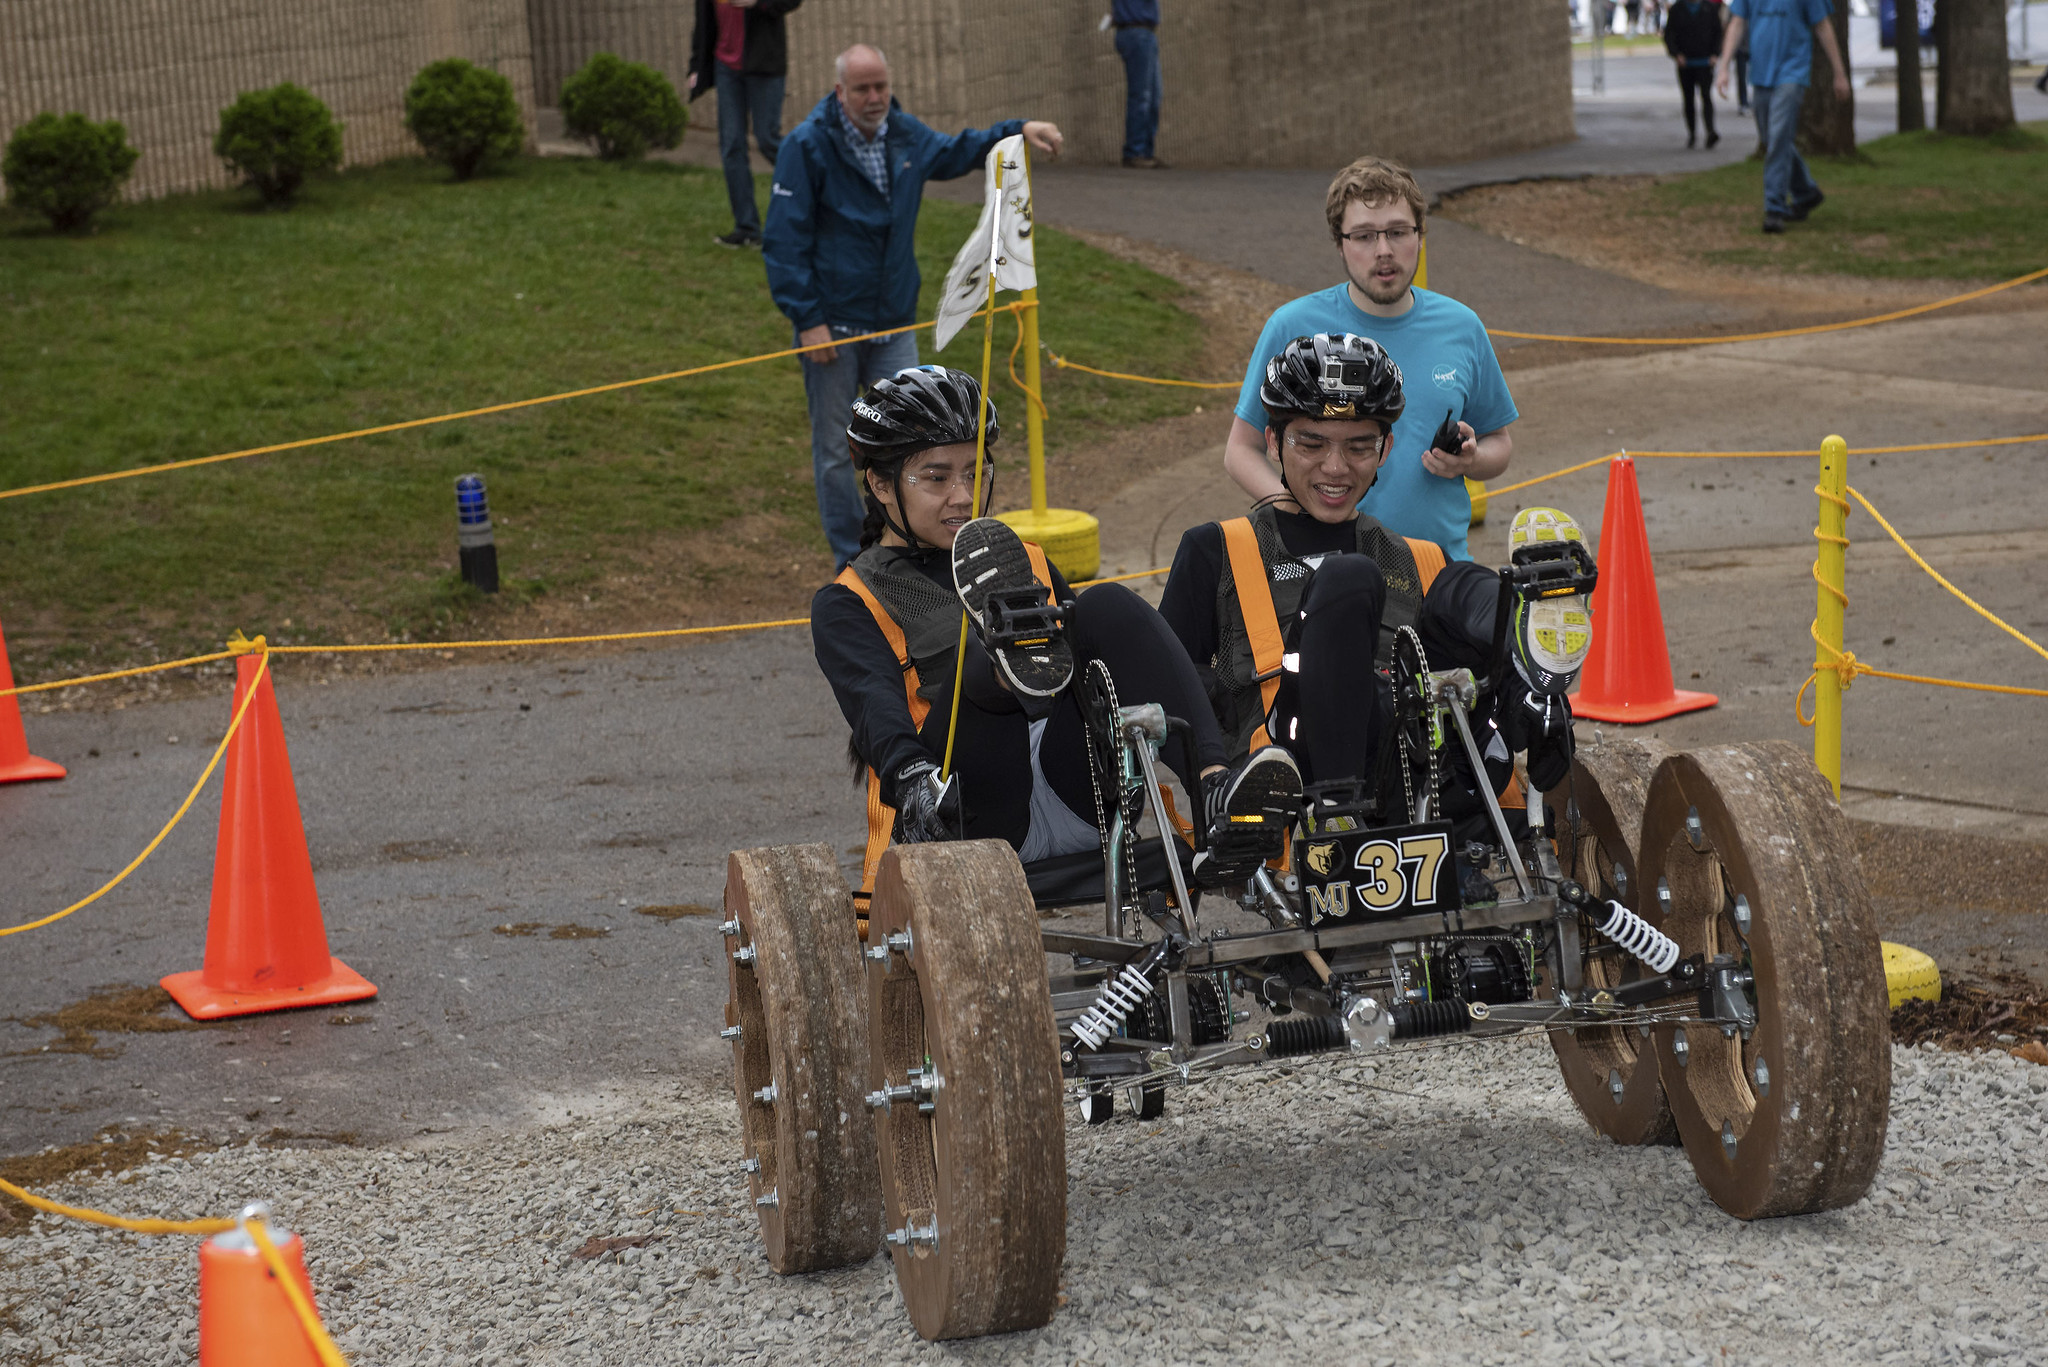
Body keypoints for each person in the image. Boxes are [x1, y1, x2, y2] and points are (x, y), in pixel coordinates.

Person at [811, 366, 1302, 899]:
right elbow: (875, 710)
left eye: (975, 474)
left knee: (1106, 605)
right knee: (979, 656)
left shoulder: (1028, 562)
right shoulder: (850, 599)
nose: (962, 496)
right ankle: (1003, 665)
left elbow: (1116, 659)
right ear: (880, 484)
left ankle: (1216, 795)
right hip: (969, 805)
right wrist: (911, 777)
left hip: (1080, 787)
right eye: (936, 477)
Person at [1162, 335, 1591, 837]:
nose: (1336, 467)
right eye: (1312, 442)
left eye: (1359, 445)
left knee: (1456, 582)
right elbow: (1167, 682)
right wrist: (1214, 771)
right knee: (1348, 578)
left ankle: (1534, 669)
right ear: (1274, 442)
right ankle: (1341, 814)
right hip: (1295, 770)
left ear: (1385, 448)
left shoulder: (1414, 556)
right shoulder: (1215, 549)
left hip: (1423, 760)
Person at [764, 44, 1064, 570]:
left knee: (918, 446)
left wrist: (1018, 130)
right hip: (833, 329)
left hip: (895, 323)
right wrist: (808, 319)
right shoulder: (806, 146)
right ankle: (850, 563)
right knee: (838, 454)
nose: (876, 97)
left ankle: (910, 552)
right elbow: (784, 241)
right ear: (840, 92)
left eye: (881, 85)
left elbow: (958, 149)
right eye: (863, 89)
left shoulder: (904, 133)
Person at [1222, 156, 1517, 562]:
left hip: (1437, 569)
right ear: (1339, 244)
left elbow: (1499, 443)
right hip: (1324, 570)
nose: (1383, 251)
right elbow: (1240, 449)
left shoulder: (1462, 327)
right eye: (1363, 236)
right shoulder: (1294, 327)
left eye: (1397, 232)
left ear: (1420, 236)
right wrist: (1294, 505)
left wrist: (1471, 459)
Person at [1715, 0, 1848, 234]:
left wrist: (1839, 72)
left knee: (1777, 138)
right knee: (1773, 138)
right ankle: (1807, 192)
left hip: (1792, 72)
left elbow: (1823, 26)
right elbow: (1737, 23)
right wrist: (1724, 66)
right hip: (1761, 73)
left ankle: (1774, 208)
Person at [686, 0, 804, 249]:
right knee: (731, 146)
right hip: (726, 68)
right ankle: (747, 229)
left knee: (767, 138)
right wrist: (696, 65)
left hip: (763, 66)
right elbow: (704, 21)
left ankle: (817, 183)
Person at [1112, 0, 1166, 169]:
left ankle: (1144, 151)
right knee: (1141, 96)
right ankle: (1135, 152)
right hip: (1137, 31)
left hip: (1143, 32)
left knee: (1153, 95)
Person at [1665, 0, 1724, 148]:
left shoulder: (1709, 8)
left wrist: (1715, 54)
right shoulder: (1677, 9)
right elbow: (1669, 35)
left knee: (1706, 96)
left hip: (1705, 62)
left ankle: (1710, 131)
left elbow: (1718, 33)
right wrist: (1676, 54)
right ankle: (1692, 133)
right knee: (1688, 99)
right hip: (1686, 63)